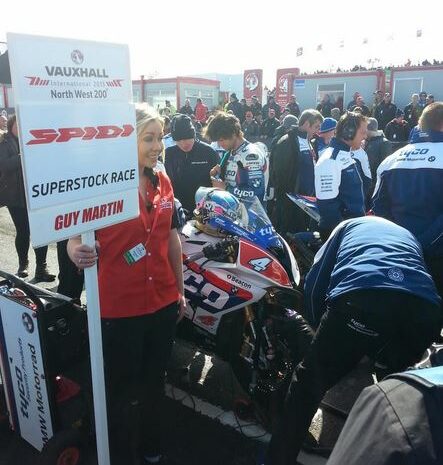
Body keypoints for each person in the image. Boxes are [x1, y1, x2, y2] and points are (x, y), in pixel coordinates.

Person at [265, 215, 442, 465]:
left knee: (306, 385)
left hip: (363, 299)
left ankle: (276, 460)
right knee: (399, 395)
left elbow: (315, 286)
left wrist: (319, 332)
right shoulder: (406, 235)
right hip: (425, 311)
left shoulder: (345, 227)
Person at [67, 108, 185, 465]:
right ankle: (116, 453)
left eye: (159, 137)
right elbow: (73, 238)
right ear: (125, 140)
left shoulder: (163, 181)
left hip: (162, 303)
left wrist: (179, 290)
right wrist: (77, 252)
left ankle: (151, 448)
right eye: (148, 138)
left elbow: (172, 241)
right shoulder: (99, 184)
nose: (157, 146)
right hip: (119, 309)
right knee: (116, 391)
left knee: (154, 383)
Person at [372, 102, 443, 298]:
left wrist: (401, 240)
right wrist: (423, 244)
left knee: (402, 309)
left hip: (398, 250)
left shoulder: (391, 159)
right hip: (435, 254)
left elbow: (378, 206)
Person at [0, 115, 55, 281]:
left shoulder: (34, 139)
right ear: (11, 126)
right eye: (17, 124)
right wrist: (23, 156)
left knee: (41, 231)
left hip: (36, 194)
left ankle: (41, 269)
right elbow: (4, 165)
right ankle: (23, 265)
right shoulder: (4, 141)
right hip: (15, 196)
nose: (21, 127)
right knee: (23, 232)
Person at [315, 111, 367, 239]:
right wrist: (343, 238)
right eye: (362, 132)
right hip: (343, 235)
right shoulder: (330, 160)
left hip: (353, 229)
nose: (365, 136)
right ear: (349, 132)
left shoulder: (344, 154)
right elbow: (327, 208)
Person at [271, 109, 323, 234]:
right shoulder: (287, 142)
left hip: (307, 201)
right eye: (316, 127)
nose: (318, 131)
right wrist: (287, 198)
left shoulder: (309, 141)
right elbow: (279, 174)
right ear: (306, 124)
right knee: (289, 235)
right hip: (292, 202)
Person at [204, 112, 267, 202]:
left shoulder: (251, 155)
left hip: (249, 213)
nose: (219, 144)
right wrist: (217, 175)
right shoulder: (230, 152)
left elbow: (256, 193)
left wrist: (226, 188)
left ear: (233, 133)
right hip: (233, 210)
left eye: (221, 140)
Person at [165, 114, 218, 213]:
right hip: (178, 211)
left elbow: (218, 184)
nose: (183, 143)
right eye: (178, 140)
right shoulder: (169, 154)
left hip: (204, 211)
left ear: (193, 134)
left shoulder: (208, 152)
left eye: (186, 138)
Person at [364, 117, 392, 190]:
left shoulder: (384, 143)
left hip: (376, 185)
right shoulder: (366, 142)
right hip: (368, 183)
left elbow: (386, 166)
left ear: (368, 129)